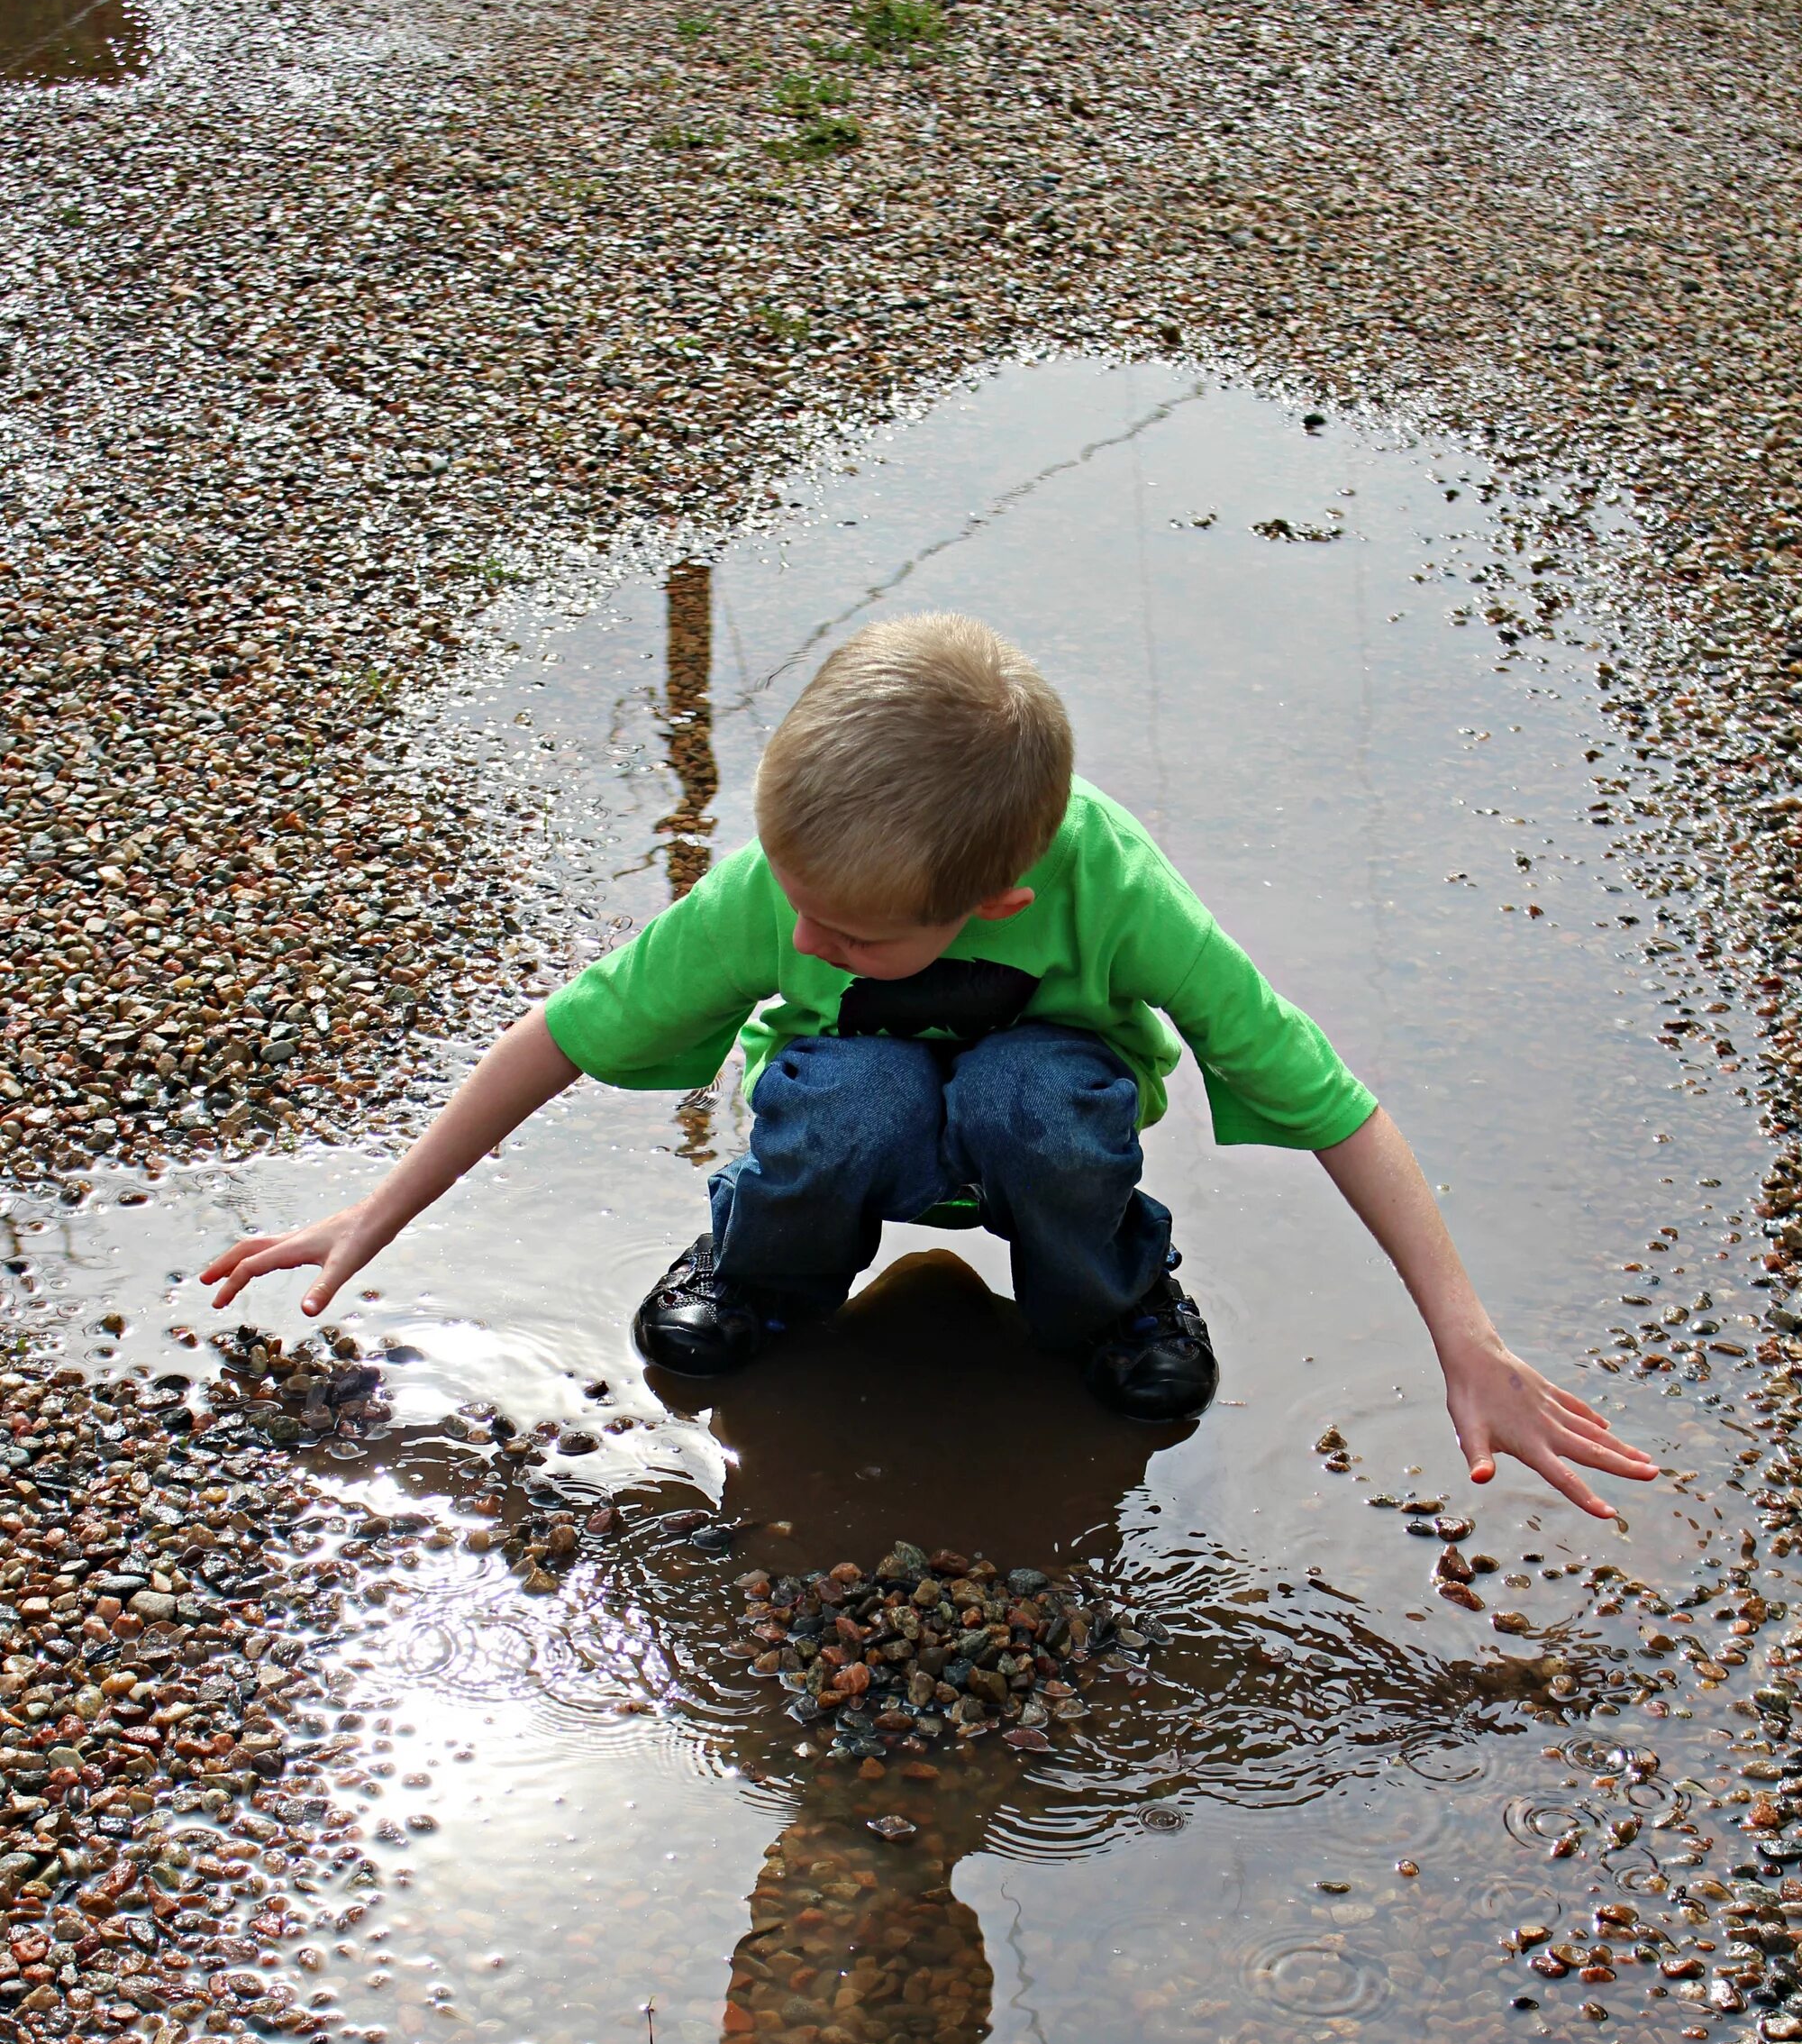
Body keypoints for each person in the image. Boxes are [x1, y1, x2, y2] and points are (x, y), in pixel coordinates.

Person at [202, 613, 1655, 1518]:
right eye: (794, 902)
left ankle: (1111, 1309)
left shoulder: (1118, 895)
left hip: (1044, 1125)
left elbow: (1338, 1106)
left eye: (845, 929)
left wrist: (1463, 1337)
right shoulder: (786, 886)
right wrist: (371, 1213)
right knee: (856, 1093)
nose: (804, 930)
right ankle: (761, 1278)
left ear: (1002, 900)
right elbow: (564, 1036)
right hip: (855, 1113)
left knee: (1035, 1094)